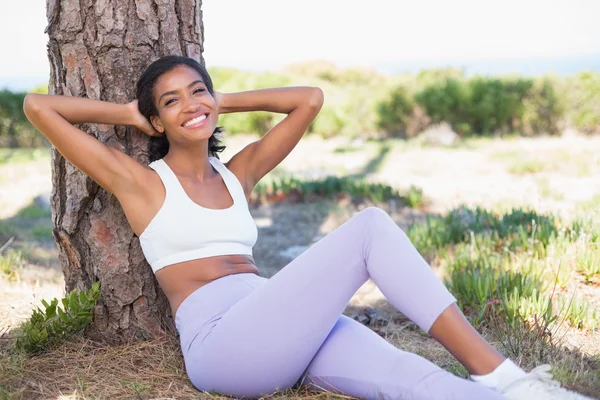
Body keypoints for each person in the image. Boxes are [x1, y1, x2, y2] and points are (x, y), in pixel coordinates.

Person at [23, 55, 593, 400]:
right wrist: (133, 112)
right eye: (170, 102)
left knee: (415, 381)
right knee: (368, 229)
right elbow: (38, 108)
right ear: (155, 119)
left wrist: (211, 102)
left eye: (198, 90)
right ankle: (501, 372)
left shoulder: (236, 173)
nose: (190, 105)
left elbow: (308, 100)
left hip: (281, 322)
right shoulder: (141, 182)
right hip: (224, 344)